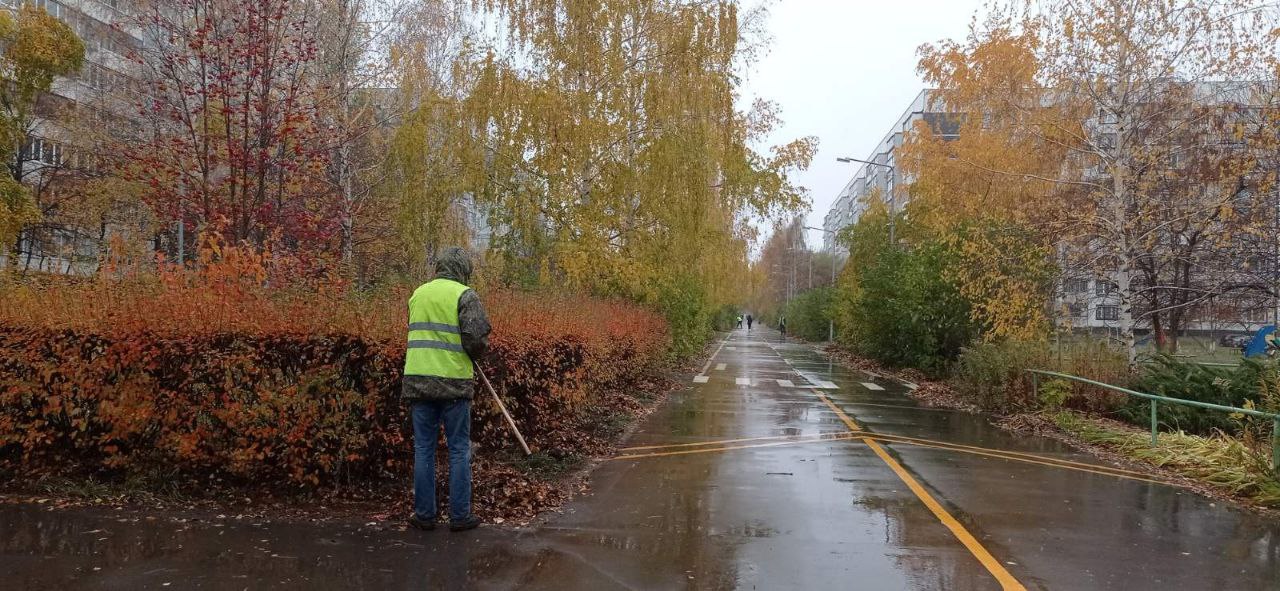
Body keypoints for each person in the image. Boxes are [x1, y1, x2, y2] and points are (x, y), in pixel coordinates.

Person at [403, 247, 491, 533]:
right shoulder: (465, 295)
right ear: (463, 269)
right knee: (458, 450)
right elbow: (475, 338)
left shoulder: (418, 294)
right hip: (453, 383)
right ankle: (460, 516)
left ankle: (424, 515)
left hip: (417, 382)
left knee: (424, 450)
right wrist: (476, 353)